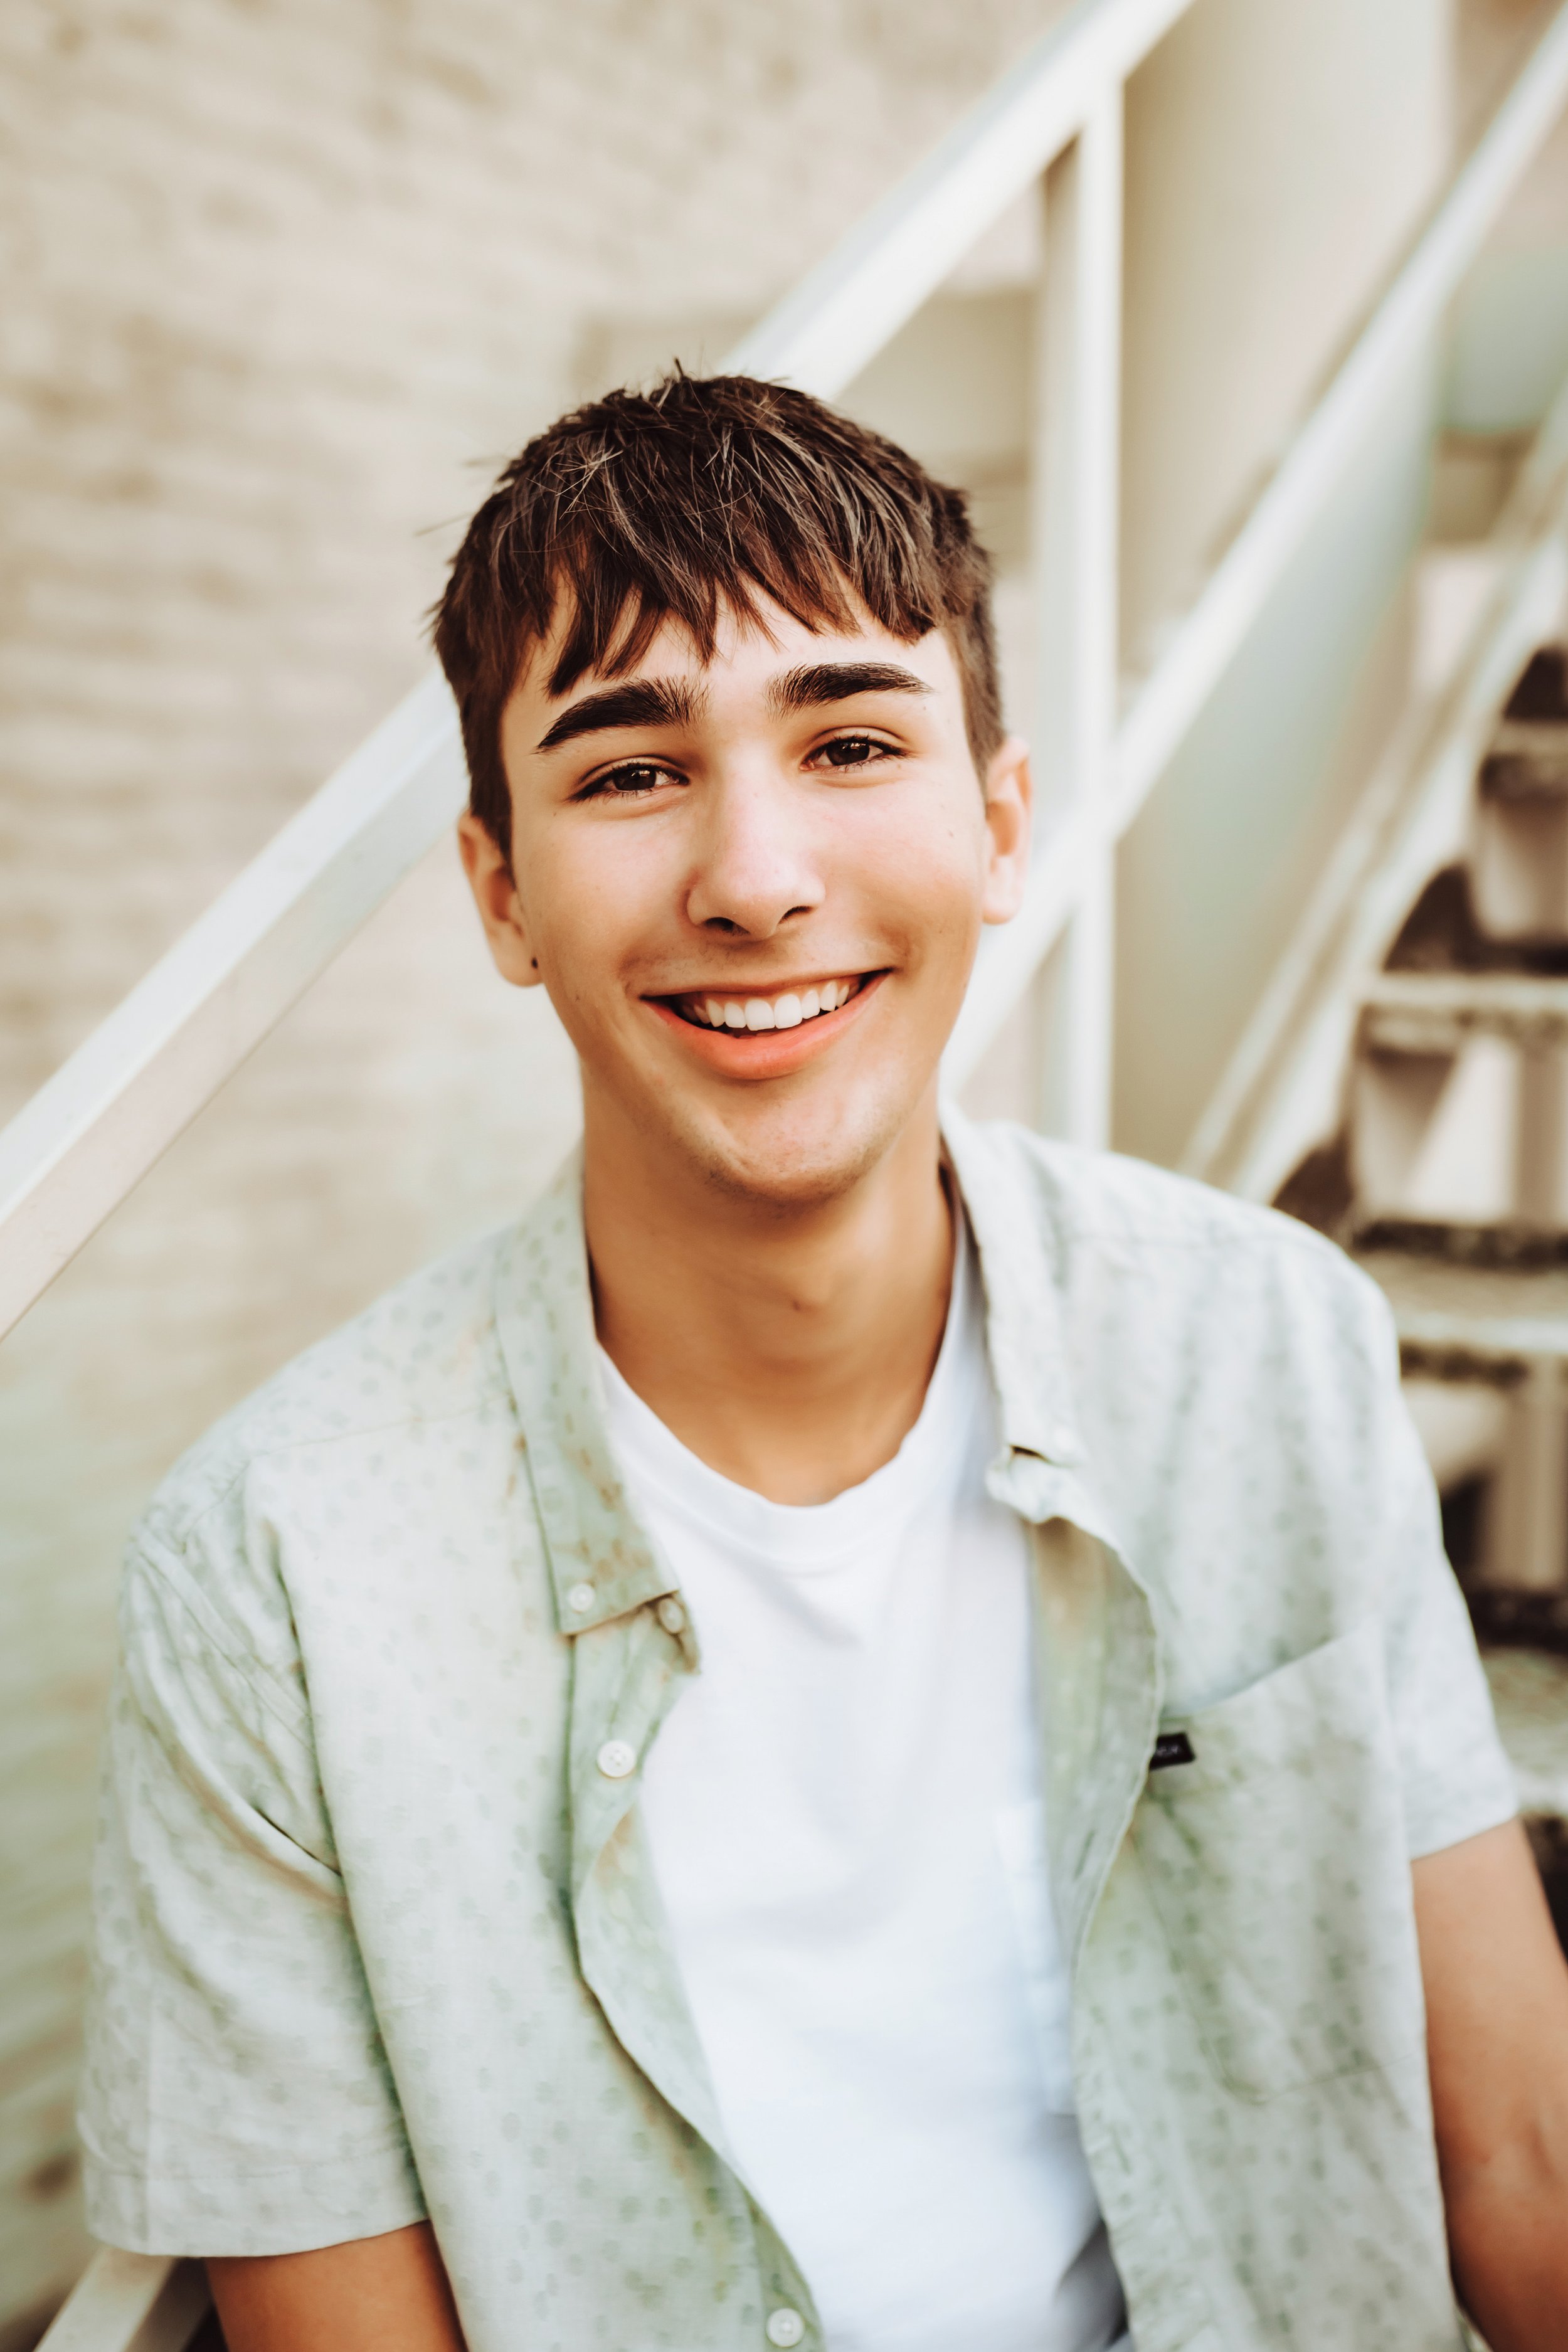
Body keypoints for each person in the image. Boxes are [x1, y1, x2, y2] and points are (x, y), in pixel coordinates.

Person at [78, 373, 1568, 2352]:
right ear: (501, 893)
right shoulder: (280, 1567)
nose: (755, 878)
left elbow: (1519, 2161)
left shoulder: (1260, 1344)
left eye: (852, 740)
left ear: (1000, 821)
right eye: (627, 773)